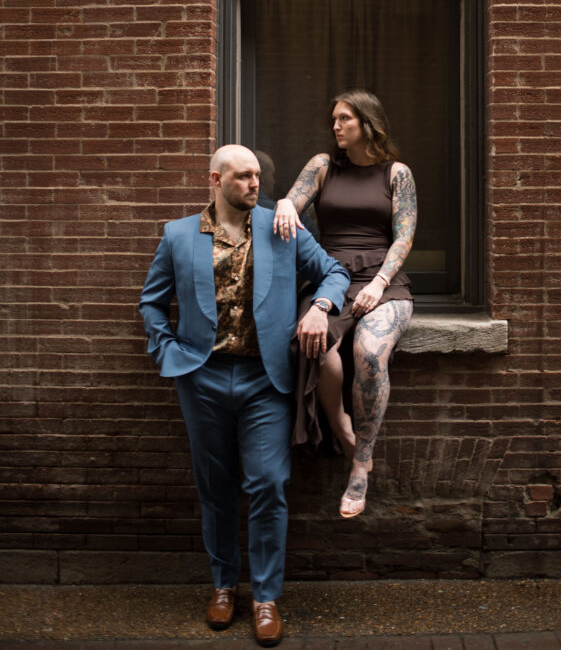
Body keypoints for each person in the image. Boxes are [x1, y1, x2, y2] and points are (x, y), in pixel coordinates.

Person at [138, 145, 349, 647]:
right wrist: (168, 352)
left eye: (258, 176)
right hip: (202, 376)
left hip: (264, 380)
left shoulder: (281, 225)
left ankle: (266, 597)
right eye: (243, 177)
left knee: (269, 484)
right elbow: (151, 302)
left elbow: (335, 272)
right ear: (216, 179)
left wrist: (321, 306)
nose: (255, 184)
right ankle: (222, 586)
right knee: (215, 486)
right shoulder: (178, 235)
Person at [273, 90, 417, 519]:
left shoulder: (397, 174)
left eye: (345, 118)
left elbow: (404, 236)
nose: (335, 125)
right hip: (330, 281)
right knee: (319, 349)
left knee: (369, 354)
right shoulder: (321, 166)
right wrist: (283, 201)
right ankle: (342, 429)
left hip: (384, 282)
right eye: (334, 119)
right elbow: (292, 204)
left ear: (368, 124)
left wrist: (380, 281)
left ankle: (360, 465)